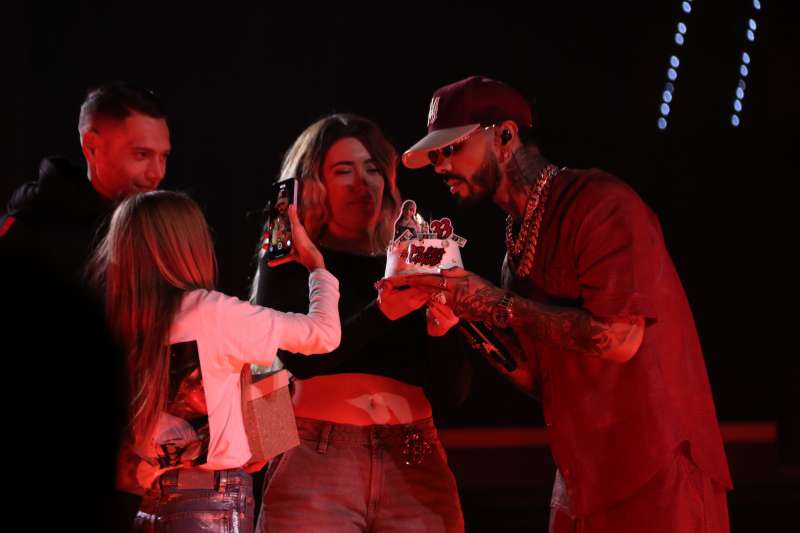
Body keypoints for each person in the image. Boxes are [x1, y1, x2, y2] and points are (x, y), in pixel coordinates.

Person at [398, 75, 732, 532]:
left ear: (505, 135)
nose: (439, 166)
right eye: (434, 156)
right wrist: (464, 316)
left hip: (656, 467)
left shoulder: (599, 204)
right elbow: (539, 379)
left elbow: (620, 338)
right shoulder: (516, 247)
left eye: (450, 148)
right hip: (582, 478)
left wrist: (493, 301)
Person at [251, 113, 471, 532]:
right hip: (317, 458)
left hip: (414, 455)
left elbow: (453, 393)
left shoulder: (413, 255)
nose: (362, 183)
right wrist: (381, 313)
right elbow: (298, 360)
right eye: (343, 170)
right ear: (313, 183)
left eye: (372, 168)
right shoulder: (292, 258)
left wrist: (443, 331)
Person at [88, 190, 340, 532]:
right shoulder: (213, 312)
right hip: (210, 500)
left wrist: (268, 436)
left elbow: (257, 363)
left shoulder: (114, 317)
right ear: (191, 247)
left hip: (146, 502)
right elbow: (324, 334)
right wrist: (316, 266)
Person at [0, 81, 172, 282]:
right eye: (141, 154)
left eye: (163, 157)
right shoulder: (31, 232)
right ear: (92, 148)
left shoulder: (159, 229)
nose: (158, 173)